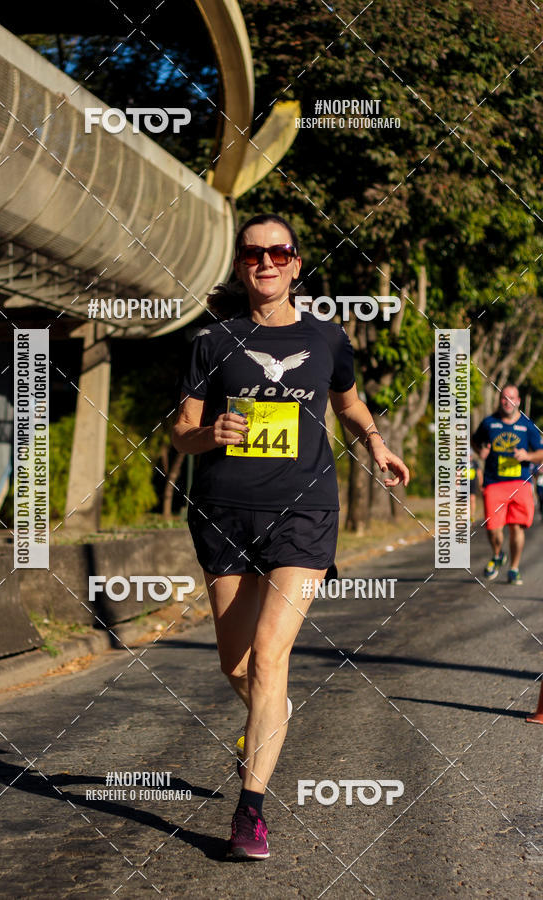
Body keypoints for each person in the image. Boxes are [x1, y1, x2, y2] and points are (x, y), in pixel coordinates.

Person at [172, 213, 409, 860]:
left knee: (271, 655)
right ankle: (270, 714)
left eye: (279, 252)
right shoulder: (213, 341)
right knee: (238, 665)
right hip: (224, 513)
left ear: (297, 264)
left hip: (304, 513)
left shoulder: (326, 338)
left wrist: (377, 445)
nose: (266, 262)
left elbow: (349, 402)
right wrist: (206, 436)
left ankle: (250, 811)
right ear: (241, 266)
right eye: (253, 254)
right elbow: (182, 428)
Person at [472, 384, 543, 584]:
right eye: (504, 397)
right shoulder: (489, 423)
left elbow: (541, 453)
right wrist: (480, 451)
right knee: (493, 528)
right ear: (500, 400)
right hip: (494, 482)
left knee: (516, 528)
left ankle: (514, 568)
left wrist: (527, 455)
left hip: (520, 482)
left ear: (518, 401)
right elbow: (475, 441)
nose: (508, 401)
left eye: (512, 398)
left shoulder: (528, 426)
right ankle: (498, 554)